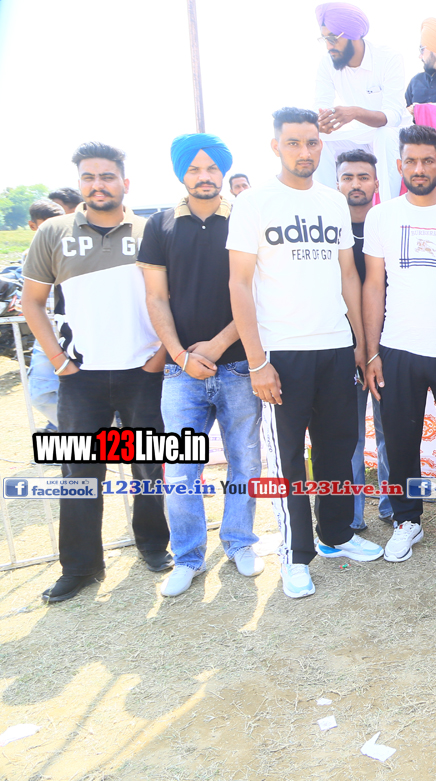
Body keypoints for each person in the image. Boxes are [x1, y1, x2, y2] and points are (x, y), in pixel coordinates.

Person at [227, 107, 383, 600]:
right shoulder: (254, 203)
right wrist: (257, 361)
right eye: (293, 142)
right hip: (282, 354)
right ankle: (296, 555)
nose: (304, 151)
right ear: (276, 145)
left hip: (335, 348)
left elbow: (348, 275)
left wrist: (360, 344)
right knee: (289, 462)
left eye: (312, 142)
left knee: (337, 449)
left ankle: (336, 534)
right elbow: (239, 283)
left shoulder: (332, 201)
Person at [22, 142, 171, 603]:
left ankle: (153, 546)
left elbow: (170, 298)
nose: (97, 184)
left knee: (149, 467)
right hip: (81, 376)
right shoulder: (54, 232)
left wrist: (160, 356)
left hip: (143, 371)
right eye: (88, 177)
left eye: (107, 176)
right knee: (80, 473)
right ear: (79, 183)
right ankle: (81, 566)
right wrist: (60, 362)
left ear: (125, 182)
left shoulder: (151, 230)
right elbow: (32, 302)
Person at [140, 134, 263, 597]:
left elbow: (257, 290)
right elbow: (156, 297)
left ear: (223, 172)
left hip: (239, 366)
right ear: (181, 174)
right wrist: (180, 355)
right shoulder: (160, 225)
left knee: (244, 461)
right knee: (179, 471)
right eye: (194, 169)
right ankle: (188, 556)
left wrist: (216, 345)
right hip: (180, 373)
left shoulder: (246, 218)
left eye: (212, 168)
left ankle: (240, 542)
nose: (204, 176)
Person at [362, 125, 436, 564]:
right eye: (411, 161)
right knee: (399, 441)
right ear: (399, 166)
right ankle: (405, 519)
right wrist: (371, 352)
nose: (419, 168)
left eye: (427, 160)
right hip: (397, 349)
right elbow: (373, 286)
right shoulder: (381, 216)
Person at [334, 149, 393, 531]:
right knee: (348, 437)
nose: (355, 184)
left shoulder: (387, 224)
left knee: (391, 433)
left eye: (363, 177)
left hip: (386, 346)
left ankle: (393, 506)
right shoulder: (327, 229)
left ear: (376, 182)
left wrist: (374, 345)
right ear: (337, 182)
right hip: (340, 348)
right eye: (348, 177)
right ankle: (351, 515)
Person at [313, 2, 406, 198]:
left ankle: (387, 208)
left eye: (332, 39)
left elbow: (393, 116)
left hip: (395, 135)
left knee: (384, 135)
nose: (329, 46)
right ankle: (329, 205)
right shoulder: (326, 63)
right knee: (318, 140)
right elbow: (321, 104)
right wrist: (322, 122)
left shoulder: (388, 57)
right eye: (324, 39)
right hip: (359, 135)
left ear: (352, 35)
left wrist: (355, 112)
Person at [21, 201, 65, 433]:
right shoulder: (29, 255)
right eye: (46, 225)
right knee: (40, 393)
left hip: (77, 331)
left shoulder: (74, 249)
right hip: (48, 334)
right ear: (33, 226)